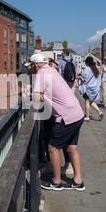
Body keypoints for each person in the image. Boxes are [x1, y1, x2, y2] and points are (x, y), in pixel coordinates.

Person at [28, 53, 86, 191]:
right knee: (71, 148)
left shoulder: (41, 74)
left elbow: (37, 97)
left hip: (66, 117)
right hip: (77, 113)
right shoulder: (51, 70)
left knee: (53, 148)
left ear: (35, 65)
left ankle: (56, 182)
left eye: (30, 66)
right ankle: (78, 182)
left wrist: (31, 96)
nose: (30, 69)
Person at [79, 56, 103, 122]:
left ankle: (87, 116)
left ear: (87, 62)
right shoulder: (95, 69)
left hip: (88, 88)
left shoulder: (87, 68)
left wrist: (80, 78)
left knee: (87, 102)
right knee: (91, 102)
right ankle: (100, 112)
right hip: (94, 88)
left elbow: (84, 78)